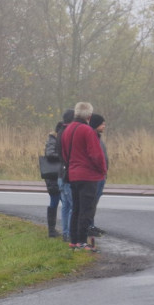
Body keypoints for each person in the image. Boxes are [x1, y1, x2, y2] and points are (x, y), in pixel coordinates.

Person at [60, 102, 107, 251]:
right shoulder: (87, 130)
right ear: (89, 115)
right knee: (87, 210)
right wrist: (102, 170)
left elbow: (64, 153)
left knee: (76, 209)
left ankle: (74, 241)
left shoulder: (67, 130)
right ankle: (82, 241)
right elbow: (96, 154)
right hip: (88, 175)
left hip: (73, 174)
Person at [56, 109, 74, 241]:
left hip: (61, 173)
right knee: (73, 206)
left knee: (66, 206)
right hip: (67, 174)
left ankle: (66, 232)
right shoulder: (68, 133)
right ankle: (71, 233)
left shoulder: (60, 132)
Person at [88, 114, 108, 237]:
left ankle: (92, 225)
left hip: (102, 175)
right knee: (90, 202)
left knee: (94, 203)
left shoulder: (99, 138)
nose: (104, 126)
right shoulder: (92, 138)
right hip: (95, 176)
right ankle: (89, 226)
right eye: (102, 124)